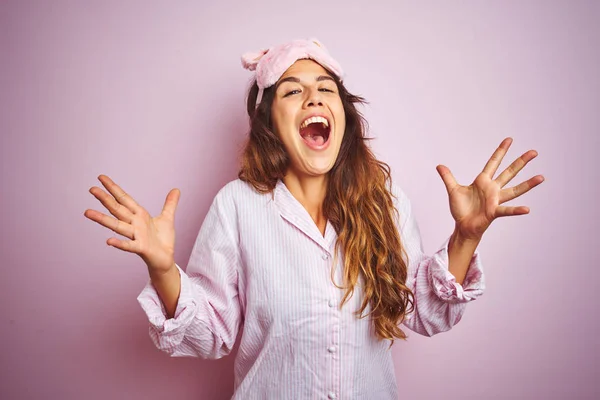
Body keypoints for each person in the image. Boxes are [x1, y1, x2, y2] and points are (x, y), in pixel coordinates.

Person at [84, 38, 544, 399]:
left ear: (342, 115)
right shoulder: (237, 206)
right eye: (293, 91)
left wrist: (466, 236)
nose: (314, 98)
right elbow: (212, 335)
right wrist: (164, 270)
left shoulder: (385, 200)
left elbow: (423, 313)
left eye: (326, 90)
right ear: (268, 121)